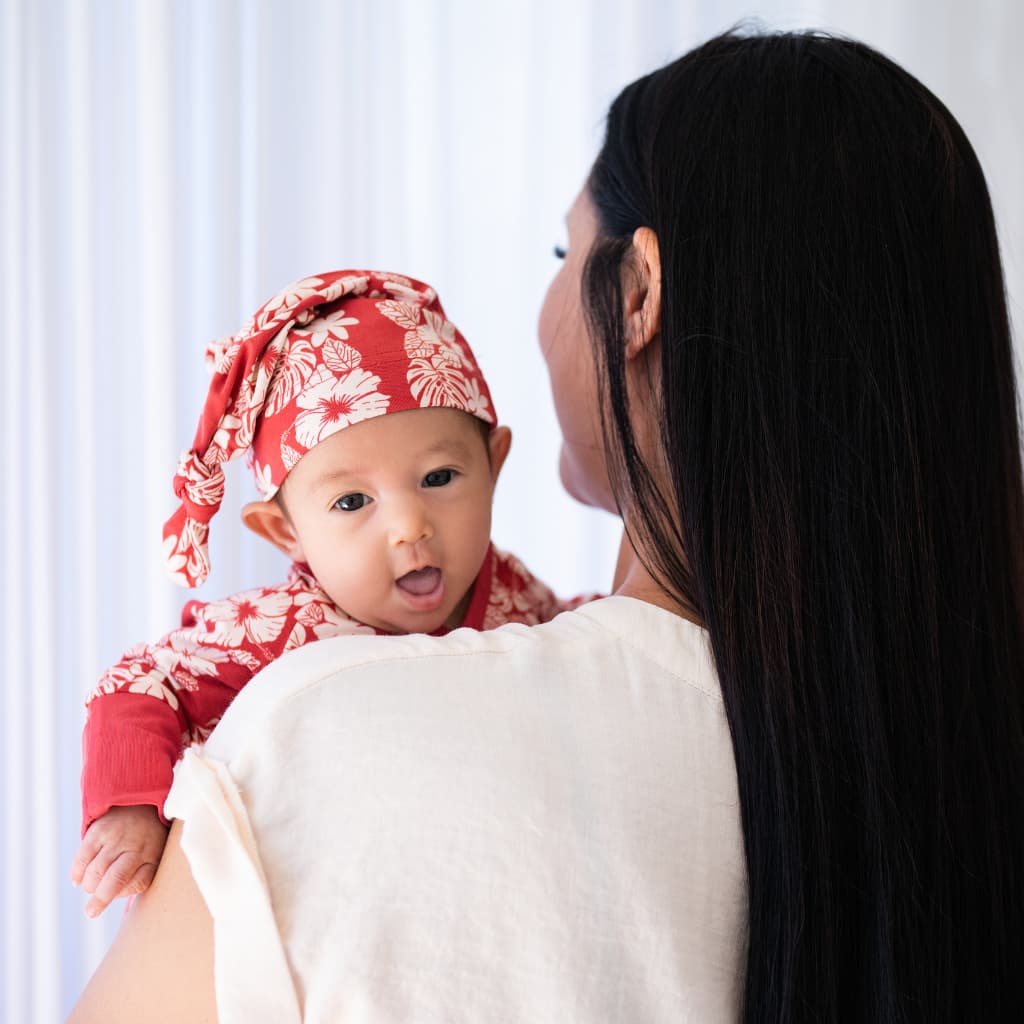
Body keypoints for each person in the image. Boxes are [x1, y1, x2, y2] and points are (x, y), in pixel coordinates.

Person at [69, 28, 1024, 1022]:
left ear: (639, 292)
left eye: (568, 251)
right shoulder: (965, 774)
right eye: (352, 497)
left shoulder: (332, 729)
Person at [71, 269, 571, 919]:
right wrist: (132, 808)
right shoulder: (276, 628)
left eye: (439, 476)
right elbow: (143, 682)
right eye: (352, 501)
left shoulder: (511, 591)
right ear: (286, 532)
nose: (409, 526)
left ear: (494, 466)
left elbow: (581, 638)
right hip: (326, 904)